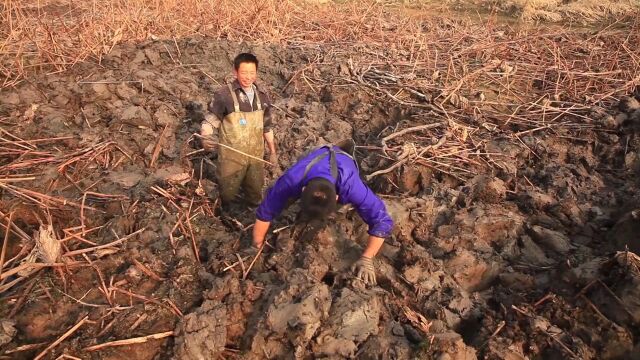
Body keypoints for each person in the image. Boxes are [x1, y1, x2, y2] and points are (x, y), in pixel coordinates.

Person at [252, 142, 393, 286]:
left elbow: (382, 220)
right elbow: (264, 213)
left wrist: (367, 258)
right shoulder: (292, 179)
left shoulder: (351, 185)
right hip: (314, 155)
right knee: (275, 193)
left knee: (360, 205)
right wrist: (257, 246)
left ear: (337, 198)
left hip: (344, 161)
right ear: (302, 190)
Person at [200, 53, 277, 206]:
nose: (248, 77)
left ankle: (252, 216)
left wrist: (273, 152)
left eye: (251, 73)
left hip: (255, 155)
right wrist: (205, 138)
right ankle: (225, 215)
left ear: (256, 72)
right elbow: (209, 123)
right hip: (231, 157)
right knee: (227, 193)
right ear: (235, 72)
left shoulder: (262, 97)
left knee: (255, 191)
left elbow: (267, 126)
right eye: (244, 73)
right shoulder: (224, 95)